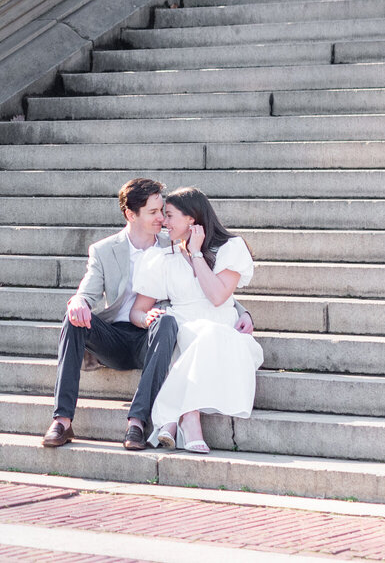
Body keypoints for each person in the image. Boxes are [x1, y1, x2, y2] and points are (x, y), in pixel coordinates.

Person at [43, 177, 252, 450]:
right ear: (131, 214)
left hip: (156, 337)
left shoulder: (174, 243)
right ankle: (62, 421)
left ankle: (137, 423)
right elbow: (88, 291)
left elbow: (205, 289)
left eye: (162, 211)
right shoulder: (105, 251)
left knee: (165, 322)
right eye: (153, 212)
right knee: (74, 319)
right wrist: (78, 301)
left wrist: (242, 311)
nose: (161, 219)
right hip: (117, 336)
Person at [130, 187, 264, 453]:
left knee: (210, 335)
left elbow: (216, 296)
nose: (163, 223)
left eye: (169, 216)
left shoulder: (231, 248)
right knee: (190, 337)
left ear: (192, 219)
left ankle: (172, 417)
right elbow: (136, 312)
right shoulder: (160, 257)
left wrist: (196, 253)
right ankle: (189, 418)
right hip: (180, 325)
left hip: (222, 331)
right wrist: (148, 317)